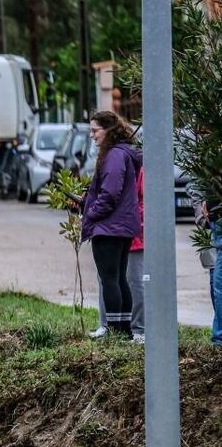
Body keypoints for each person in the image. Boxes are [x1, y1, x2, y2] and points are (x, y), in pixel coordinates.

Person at [81, 111, 142, 338]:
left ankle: (115, 331)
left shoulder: (115, 155)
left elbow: (110, 193)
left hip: (109, 227)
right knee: (118, 278)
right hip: (121, 226)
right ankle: (123, 330)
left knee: (109, 279)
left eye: (95, 130)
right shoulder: (124, 153)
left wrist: (91, 215)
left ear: (108, 130)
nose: (92, 135)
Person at [91, 167, 145, 343]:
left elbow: (142, 200)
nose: (92, 136)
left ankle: (137, 328)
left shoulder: (134, 167)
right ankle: (107, 325)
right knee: (107, 280)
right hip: (116, 230)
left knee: (132, 281)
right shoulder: (111, 163)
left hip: (128, 232)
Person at [188, 181, 222, 345]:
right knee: (216, 286)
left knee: (218, 286)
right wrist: (206, 217)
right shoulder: (201, 178)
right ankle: (219, 336)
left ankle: (219, 336)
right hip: (212, 237)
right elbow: (196, 192)